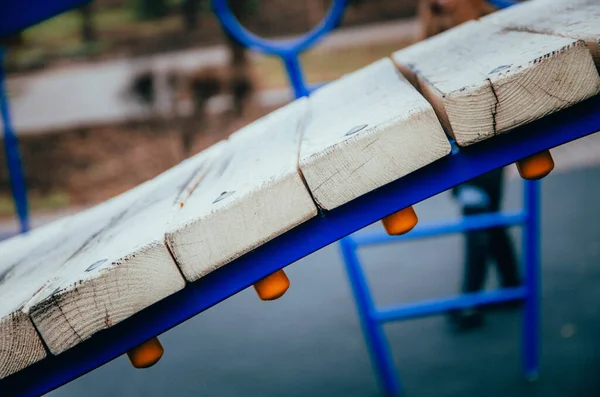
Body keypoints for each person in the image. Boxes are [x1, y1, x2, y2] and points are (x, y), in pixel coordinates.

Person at [416, 0, 521, 330]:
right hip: (460, 136)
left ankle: (470, 301)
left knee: (477, 211)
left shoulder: (482, 19)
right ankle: (512, 283)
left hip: (485, 131)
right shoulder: (433, 22)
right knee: (486, 212)